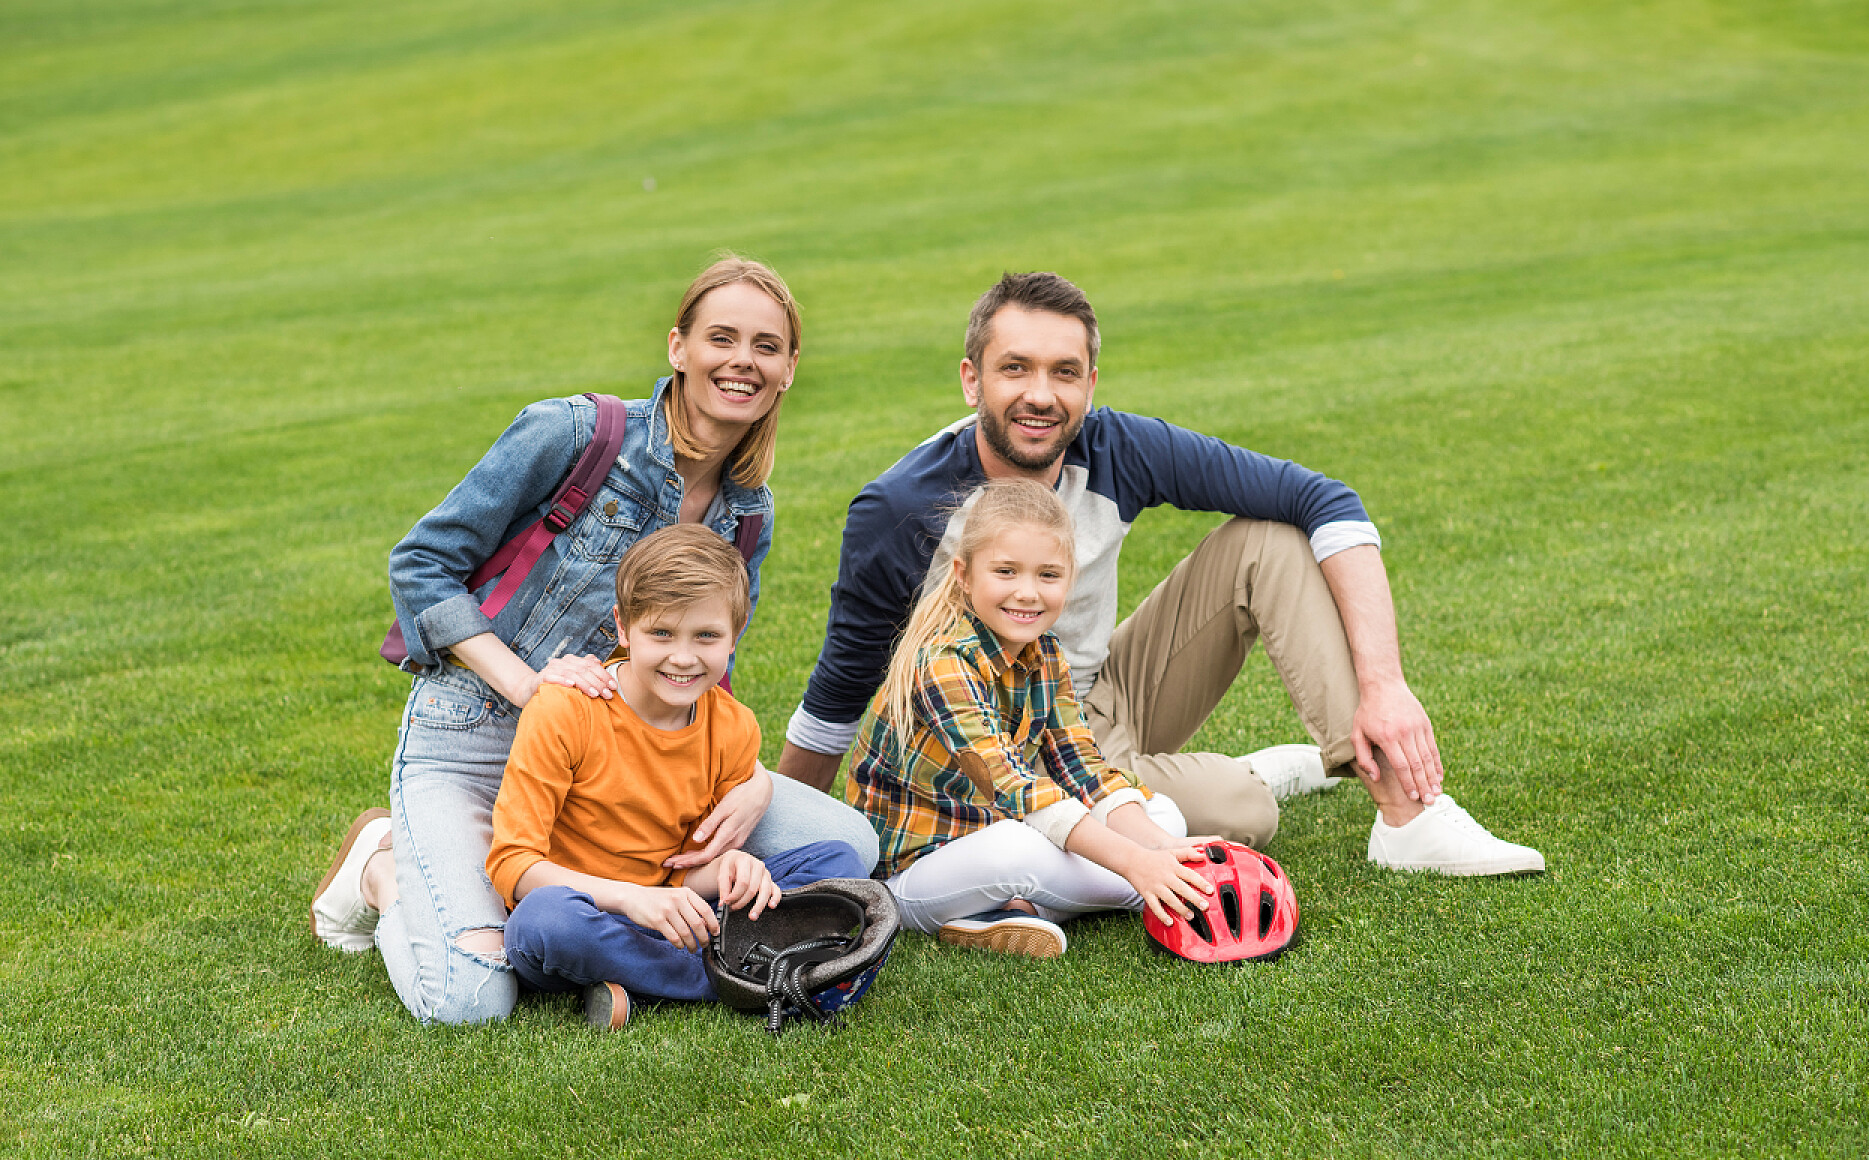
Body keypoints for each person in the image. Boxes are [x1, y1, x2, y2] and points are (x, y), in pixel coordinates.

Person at [780, 271, 1543, 879]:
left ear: (1091, 383)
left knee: (1269, 540)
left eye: (1064, 372)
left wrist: (1385, 686)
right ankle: (1246, 774)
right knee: (1245, 813)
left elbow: (1325, 500)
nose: (1040, 394)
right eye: (1015, 368)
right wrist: (786, 842)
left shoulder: (1118, 449)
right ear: (972, 380)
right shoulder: (900, 506)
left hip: (1092, 700)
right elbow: (839, 690)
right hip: (986, 747)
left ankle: (1409, 816)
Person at [310, 258, 879, 1025]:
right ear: (678, 347)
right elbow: (420, 565)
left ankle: (616, 956)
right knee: (469, 1001)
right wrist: (528, 685)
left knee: (849, 843)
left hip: (626, 761)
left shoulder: (749, 512)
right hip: (476, 738)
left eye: (765, 346)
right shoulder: (576, 432)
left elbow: (713, 666)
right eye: (721, 338)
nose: (742, 360)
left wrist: (749, 783)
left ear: (788, 369)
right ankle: (383, 869)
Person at [486, 525, 866, 1028]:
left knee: (839, 858)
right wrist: (632, 899)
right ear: (623, 627)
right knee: (542, 925)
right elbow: (515, 865)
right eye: (661, 633)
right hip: (585, 909)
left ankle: (635, 982)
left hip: (674, 911)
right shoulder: (564, 710)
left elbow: (683, 866)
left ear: (737, 628)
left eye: (706, 636)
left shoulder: (733, 727)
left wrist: (733, 869)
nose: (683, 658)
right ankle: (735, 979)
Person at [847, 479, 1217, 959]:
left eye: (1048, 575)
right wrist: (1138, 863)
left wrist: (1162, 846)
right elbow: (1010, 786)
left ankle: (1010, 911)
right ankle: (1129, 888)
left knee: (1165, 815)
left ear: (1070, 578)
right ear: (964, 574)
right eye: (1005, 571)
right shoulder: (943, 661)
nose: (1027, 593)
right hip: (913, 873)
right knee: (1019, 849)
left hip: (993, 831)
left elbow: (1080, 765)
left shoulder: (1045, 653)